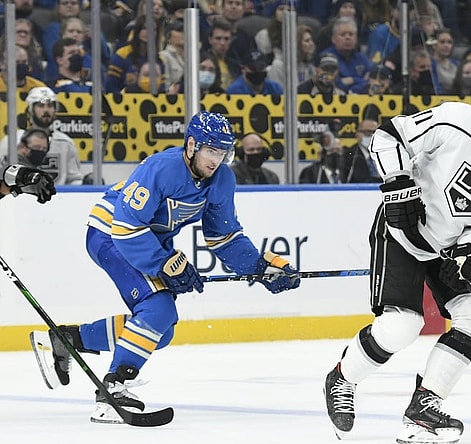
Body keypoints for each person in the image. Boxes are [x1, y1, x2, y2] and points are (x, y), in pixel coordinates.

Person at [29, 111, 301, 424]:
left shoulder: (222, 178)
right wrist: (162, 263)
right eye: (211, 151)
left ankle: (68, 340)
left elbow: (223, 235)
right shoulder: (160, 168)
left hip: (148, 239)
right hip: (110, 233)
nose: (216, 160)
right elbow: (126, 227)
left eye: (223, 152)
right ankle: (113, 389)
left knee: (161, 331)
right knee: (158, 310)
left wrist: (259, 266)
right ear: (191, 145)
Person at [322, 81, 471, 443]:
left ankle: (424, 408)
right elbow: (389, 136)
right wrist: (397, 183)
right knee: (403, 327)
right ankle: (342, 378)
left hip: (446, 248)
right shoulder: (456, 120)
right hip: (402, 232)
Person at [0, 87, 83, 185]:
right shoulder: (12, 141)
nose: (46, 110)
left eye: (50, 106)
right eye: (41, 105)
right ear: (31, 109)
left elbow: (75, 179)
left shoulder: (65, 143)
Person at [341, 118, 381, 183]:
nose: (372, 136)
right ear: (357, 134)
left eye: (375, 133)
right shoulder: (349, 156)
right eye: (367, 132)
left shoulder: (386, 154)